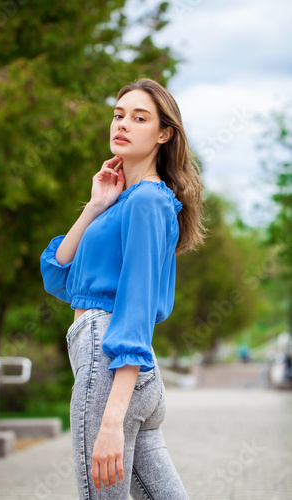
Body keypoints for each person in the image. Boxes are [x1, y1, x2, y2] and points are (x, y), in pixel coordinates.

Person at [40, 78, 205, 499]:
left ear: (164, 134)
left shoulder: (148, 201)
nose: (123, 124)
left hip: (110, 366)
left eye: (139, 117)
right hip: (123, 373)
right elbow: (59, 277)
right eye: (118, 114)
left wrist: (111, 417)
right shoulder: (124, 204)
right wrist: (95, 205)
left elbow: (135, 309)